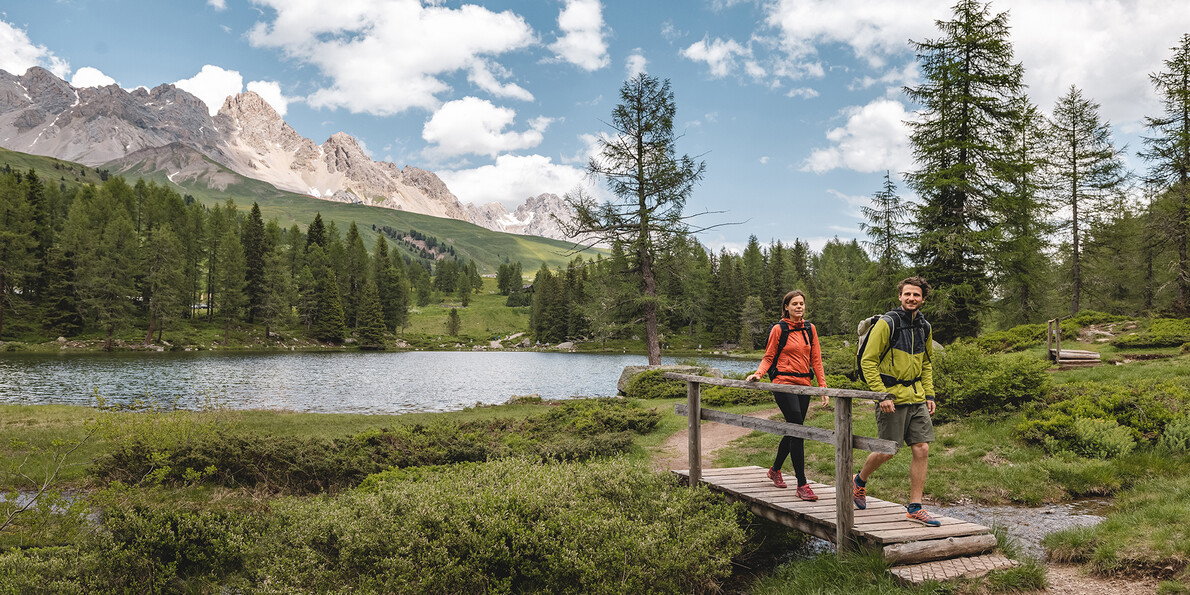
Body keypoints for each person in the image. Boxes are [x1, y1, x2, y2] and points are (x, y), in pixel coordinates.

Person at [853, 276, 940, 527]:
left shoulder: (924, 327)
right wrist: (882, 394)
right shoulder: (887, 323)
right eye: (907, 294)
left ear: (923, 299)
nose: (911, 298)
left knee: (922, 448)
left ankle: (915, 507)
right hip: (891, 397)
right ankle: (859, 481)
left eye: (916, 295)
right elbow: (868, 361)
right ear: (900, 296)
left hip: (916, 397)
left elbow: (926, 363)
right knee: (887, 450)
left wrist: (929, 394)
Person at [746, 290, 828, 501]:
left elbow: (816, 359)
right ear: (786, 307)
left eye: (801, 303)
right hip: (783, 383)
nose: (799, 307)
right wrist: (758, 374)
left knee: (793, 429)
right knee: (797, 430)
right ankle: (802, 484)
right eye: (794, 304)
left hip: (804, 385)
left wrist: (822, 387)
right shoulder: (778, 329)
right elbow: (768, 357)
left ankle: (775, 469)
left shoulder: (810, 329)